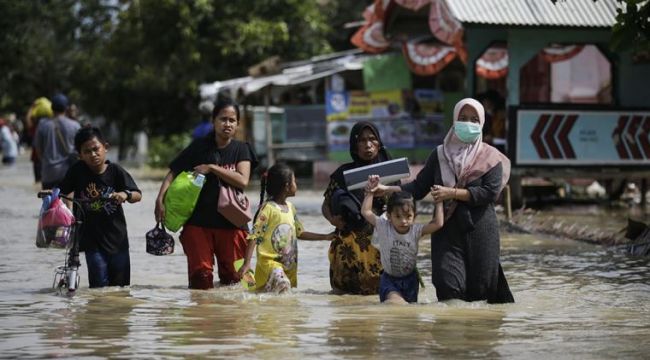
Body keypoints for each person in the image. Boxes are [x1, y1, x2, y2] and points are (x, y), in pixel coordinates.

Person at [374, 98, 514, 304]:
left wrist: (452, 193)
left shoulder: (491, 158)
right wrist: (386, 189)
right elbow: (418, 188)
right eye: (463, 118)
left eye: (474, 119)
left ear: (482, 123)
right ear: (454, 120)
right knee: (448, 287)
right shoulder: (439, 155)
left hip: (481, 230)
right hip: (446, 230)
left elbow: (490, 193)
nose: (468, 123)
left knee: (482, 289)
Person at [155, 98, 257, 290]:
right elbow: (173, 172)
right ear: (213, 121)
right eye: (223, 119)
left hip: (233, 225)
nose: (227, 124)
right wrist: (160, 199)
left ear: (237, 123)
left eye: (232, 120)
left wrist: (212, 168)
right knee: (200, 279)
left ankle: (244, 319)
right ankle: (202, 317)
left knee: (241, 282)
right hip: (198, 224)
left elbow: (242, 180)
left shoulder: (242, 149)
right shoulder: (198, 147)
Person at [58, 127, 142, 288]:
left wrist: (125, 194)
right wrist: (53, 196)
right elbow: (62, 191)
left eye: (96, 149)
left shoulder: (115, 171)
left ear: (105, 147)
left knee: (120, 290)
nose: (93, 154)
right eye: (87, 151)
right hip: (91, 241)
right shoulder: (77, 171)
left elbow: (137, 194)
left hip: (118, 240)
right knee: (98, 288)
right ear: (80, 155)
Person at [321, 121, 397, 295]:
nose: (368, 145)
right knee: (344, 301)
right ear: (354, 145)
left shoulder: (390, 173)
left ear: (379, 143)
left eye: (372, 139)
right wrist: (332, 219)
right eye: (361, 140)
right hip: (347, 251)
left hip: (378, 246)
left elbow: (402, 206)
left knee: (379, 296)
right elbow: (325, 204)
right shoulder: (342, 174)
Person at [238, 163, 334, 293]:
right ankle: (248, 279)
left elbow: (300, 233)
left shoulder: (291, 208)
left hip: (288, 264)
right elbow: (254, 235)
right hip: (270, 263)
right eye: (294, 180)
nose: (297, 183)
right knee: (283, 284)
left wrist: (326, 237)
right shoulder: (268, 209)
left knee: (275, 297)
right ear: (287, 186)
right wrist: (246, 263)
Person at [362, 175, 444, 304]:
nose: (404, 221)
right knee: (395, 303)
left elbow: (438, 224)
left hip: (411, 280)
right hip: (389, 280)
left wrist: (439, 201)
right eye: (398, 216)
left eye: (408, 216)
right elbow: (366, 212)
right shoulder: (384, 226)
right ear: (389, 216)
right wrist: (370, 192)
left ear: (414, 216)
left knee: (409, 316)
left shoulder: (416, 231)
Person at [33, 93, 81, 189]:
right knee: (69, 203)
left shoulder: (42, 125)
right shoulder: (75, 125)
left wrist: (47, 162)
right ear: (67, 108)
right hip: (69, 173)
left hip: (48, 173)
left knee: (50, 203)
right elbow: (80, 150)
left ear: (51, 108)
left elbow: (38, 150)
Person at [26, 97, 54, 184]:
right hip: (51, 159)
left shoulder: (37, 127)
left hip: (38, 159)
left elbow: (28, 122)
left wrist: (32, 107)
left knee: (39, 183)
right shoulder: (52, 125)